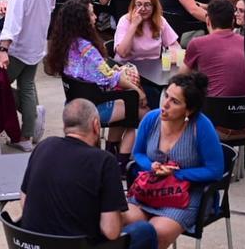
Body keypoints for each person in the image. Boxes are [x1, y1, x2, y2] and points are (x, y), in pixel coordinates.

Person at [20, 99, 158, 249]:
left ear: (65, 125)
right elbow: (111, 231)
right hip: (77, 245)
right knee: (145, 231)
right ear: (96, 125)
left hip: (31, 244)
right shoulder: (104, 161)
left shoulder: (43, 146)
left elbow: (24, 203)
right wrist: (121, 216)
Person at [122, 70, 225, 249]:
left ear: (189, 109)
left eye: (174, 101)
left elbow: (216, 170)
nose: (165, 104)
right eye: (166, 95)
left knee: (154, 234)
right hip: (149, 190)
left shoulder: (201, 127)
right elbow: (138, 153)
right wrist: (151, 165)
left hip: (185, 196)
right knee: (120, 220)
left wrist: (179, 174)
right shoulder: (151, 119)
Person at [46, 0, 146, 156]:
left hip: (75, 102)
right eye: (91, 14)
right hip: (95, 108)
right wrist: (138, 91)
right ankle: (121, 159)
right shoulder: (88, 50)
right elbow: (111, 79)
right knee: (141, 110)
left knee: (126, 101)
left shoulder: (66, 44)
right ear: (82, 21)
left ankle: (112, 149)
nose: (96, 17)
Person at [0, 0, 56, 151]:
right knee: (27, 87)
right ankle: (27, 133)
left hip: (19, 45)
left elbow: (13, 18)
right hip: (36, 41)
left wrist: (4, 48)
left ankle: (26, 125)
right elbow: (51, 5)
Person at [184, 0, 245, 133]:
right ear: (232, 21)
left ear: (208, 20)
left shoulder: (197, 44)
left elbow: (181, 77)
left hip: (212, 127)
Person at [115, 0, 180, 66]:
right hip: (128, 67)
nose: (142, 9)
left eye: (147, 5)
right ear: (133, 6)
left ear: (154, 6)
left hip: (153, 68)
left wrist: (172, 57)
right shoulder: (125, 20)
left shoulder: (160, 20)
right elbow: (123, 53)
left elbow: (174, 45)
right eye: (139, 5)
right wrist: (134, 25)